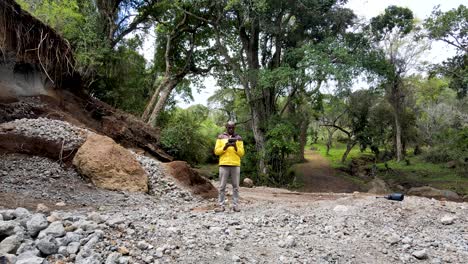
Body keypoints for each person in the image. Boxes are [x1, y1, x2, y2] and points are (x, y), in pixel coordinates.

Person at [214, 121, 245, 212]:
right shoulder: (220, 137)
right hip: (224, 164)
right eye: (229, 127)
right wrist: (225, 147)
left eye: (232, 128)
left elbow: (242, 153)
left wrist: (235, 147)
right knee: (222, 186)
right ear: (226, 127)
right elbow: (216, 152)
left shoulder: (238, 138)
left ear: (234, 128)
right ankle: (221, 206)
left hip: (235, 165)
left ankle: (235, 206)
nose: (231, 129)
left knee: (236, 187)